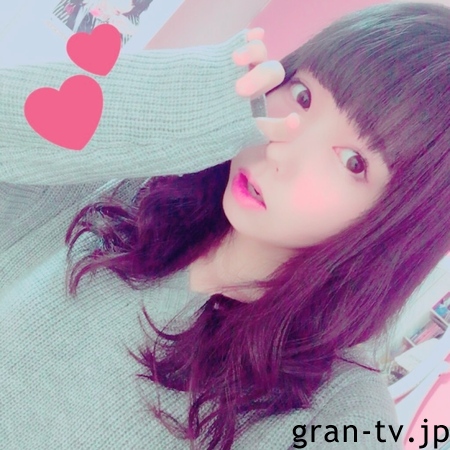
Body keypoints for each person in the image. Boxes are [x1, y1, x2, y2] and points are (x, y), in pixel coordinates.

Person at [0, 2, 449, 449]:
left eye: (353, 162)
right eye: (303, 96)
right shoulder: (130, 196)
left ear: (399, 225)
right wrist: (184, 105)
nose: (280, 149)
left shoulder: (341, 419)